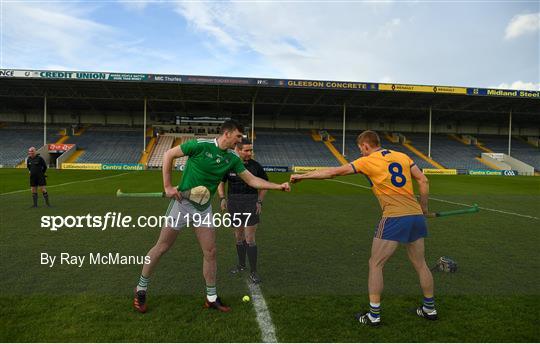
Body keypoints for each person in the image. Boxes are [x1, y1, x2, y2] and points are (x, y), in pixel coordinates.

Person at [133, 120, 290, 314]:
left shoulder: (232, 158)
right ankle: (140, 289)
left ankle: (211, 297)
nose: (240, 140)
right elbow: (169, 154)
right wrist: (168, 186)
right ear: (227, 134)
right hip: (181, 205)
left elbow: (251, 179)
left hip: (203, 209)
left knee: (211, 251)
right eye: (238, 136)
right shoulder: (200, 145)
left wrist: (277, 186)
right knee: (162, 246)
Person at [290, 130, 436, 326]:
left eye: (361, 149)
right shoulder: (402, 156)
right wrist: (424, 207)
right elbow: (423, 180)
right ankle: (429, 308)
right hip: (416, 216)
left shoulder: (367, 160)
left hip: (394, 217)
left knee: (375, 264)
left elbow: (333, 172)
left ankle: (374, 315)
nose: (361, 153)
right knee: (421, 264)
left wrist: (303, 176)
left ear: (366, 146)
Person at [217, 138, 267, 284]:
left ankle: (253, 272)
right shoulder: (229, 164)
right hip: (234, 203)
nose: (249, 153)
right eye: (246, 150)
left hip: (250, 203)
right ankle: (241, 265)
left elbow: (264, 185)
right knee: (238, 237)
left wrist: (259, 201)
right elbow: (221, 182)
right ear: (238, 150)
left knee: (250, 238)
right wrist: (222, 198)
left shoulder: (256, 166)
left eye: (251, 150)